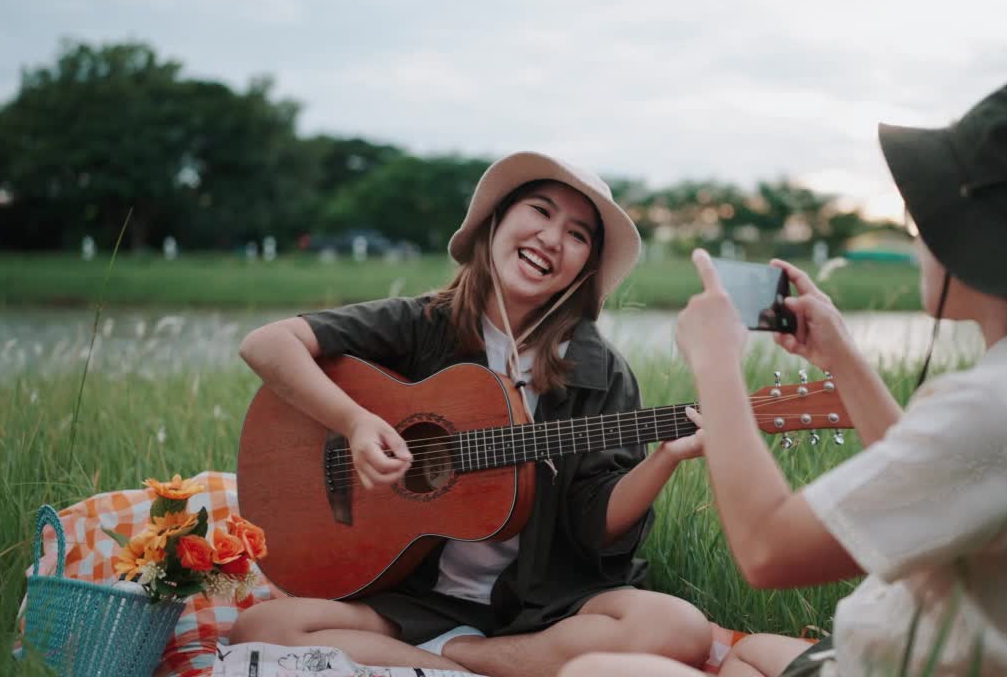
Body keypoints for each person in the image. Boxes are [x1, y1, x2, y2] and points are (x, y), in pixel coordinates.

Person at [561, 77, 1007, 677]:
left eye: (922, 218)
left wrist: (717, 365)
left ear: (974, 237)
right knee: (741, 653)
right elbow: (939, 472)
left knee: (588, 673)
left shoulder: (1005, 406)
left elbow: (767, 550)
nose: (918, 238)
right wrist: (843, 358)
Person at [230, 152, 712, 677]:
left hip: (550, 605)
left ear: (586, 268)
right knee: (262, 631)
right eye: (539, 211)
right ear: (495, 222)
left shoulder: (600, 371)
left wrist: (665, 457)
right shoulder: (421, 324)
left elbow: (597, 527)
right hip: (424, 599)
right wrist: (355, 422)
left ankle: (457, 660)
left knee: (678, 628)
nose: (551, 238)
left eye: (578, 235)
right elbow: (268, 344)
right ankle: (496, 665)